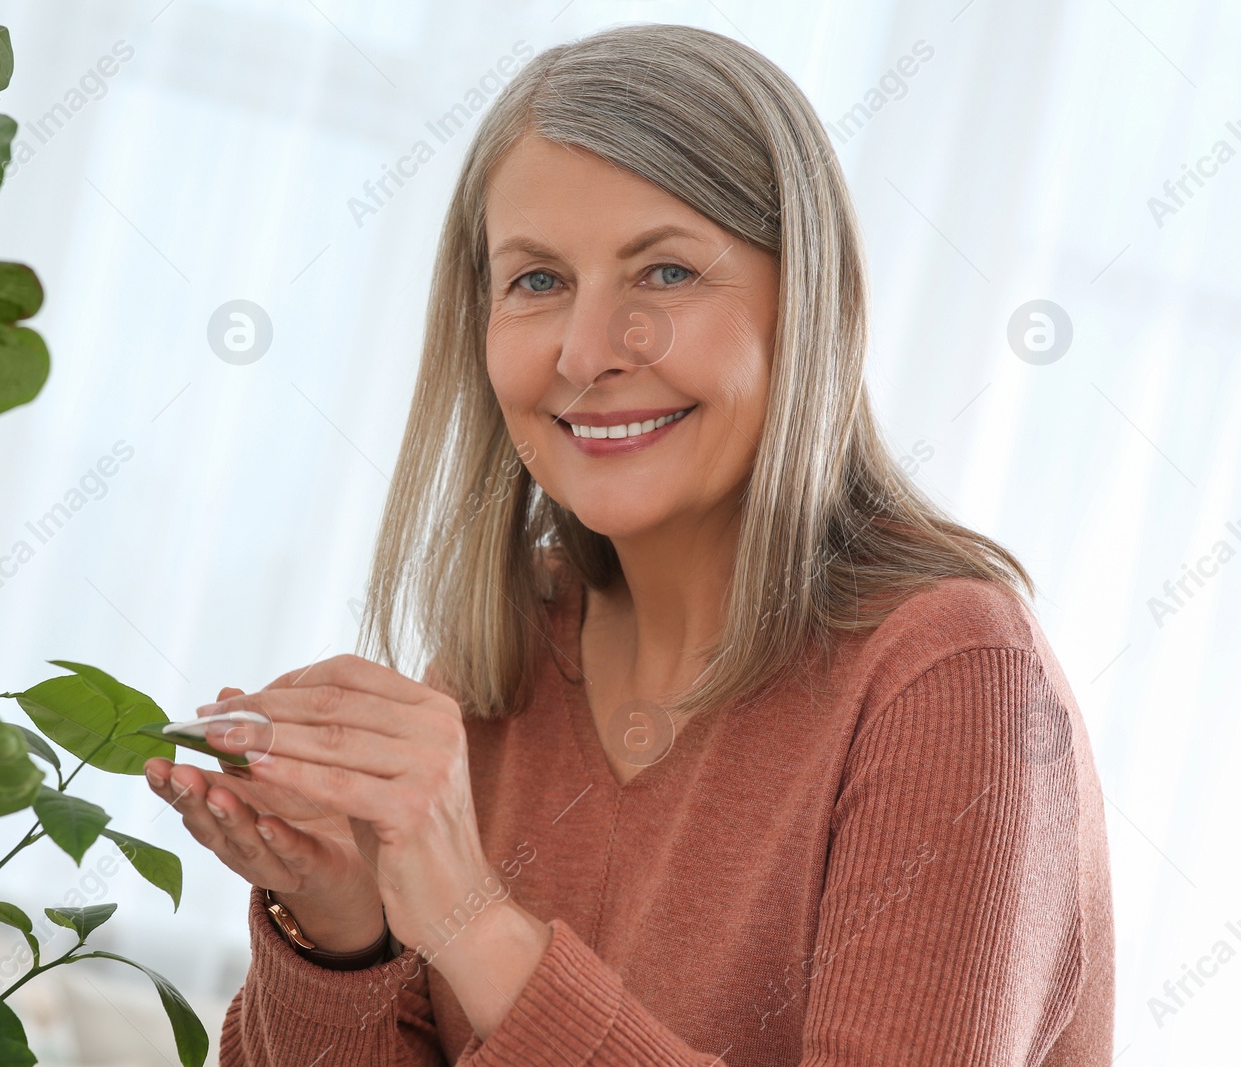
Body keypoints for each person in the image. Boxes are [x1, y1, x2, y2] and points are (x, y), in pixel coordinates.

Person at [142, 23, 1113, 1065]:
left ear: (806, 302)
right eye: (537, 281)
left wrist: (473, 920)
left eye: (662, 274)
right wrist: (340, 930)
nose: (588, 352)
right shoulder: (506, 659)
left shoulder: (954, 676)